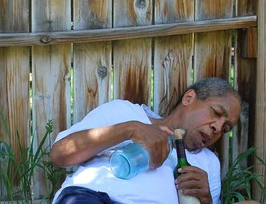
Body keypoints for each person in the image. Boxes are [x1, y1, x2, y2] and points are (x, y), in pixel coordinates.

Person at [50, 77, 245, 204]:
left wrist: (206, 199)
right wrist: (129, 129)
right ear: (189, 98)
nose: (217, 128)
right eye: (216, 113)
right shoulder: (124, 112)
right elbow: (60, 155)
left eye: (225, 129)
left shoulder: (208, 163)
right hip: (92, 199)